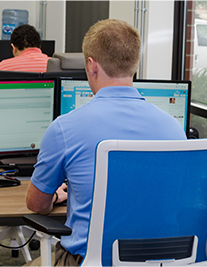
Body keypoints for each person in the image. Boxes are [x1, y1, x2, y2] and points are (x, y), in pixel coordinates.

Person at [25, 19, 187, 267]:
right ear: (135, 64)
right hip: (164, 262)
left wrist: (56, 197)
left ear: (91, 65)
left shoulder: (65, 128)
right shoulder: (174, 129)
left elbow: (36, 204)